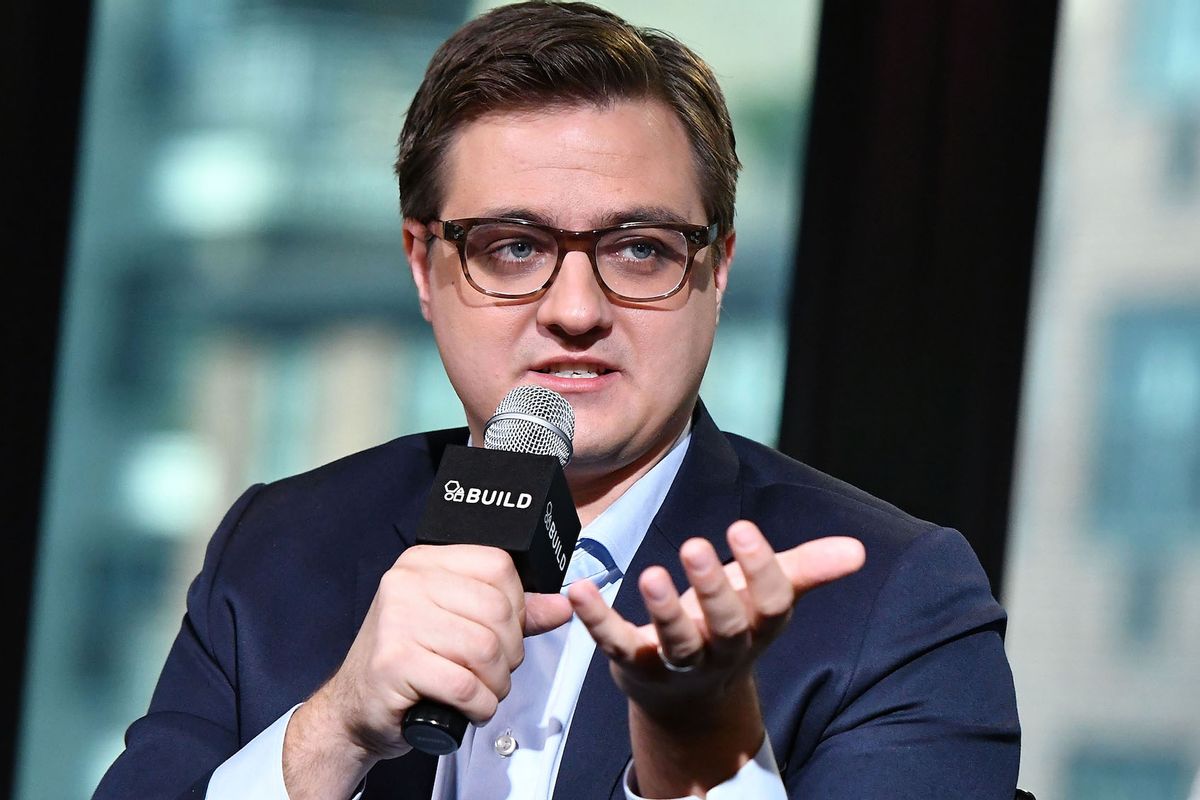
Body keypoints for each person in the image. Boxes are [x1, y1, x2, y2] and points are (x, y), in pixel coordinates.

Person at [93, 2, 1020, 798]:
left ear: (717, 271)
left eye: (640, 250)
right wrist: (331, 730)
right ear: (424, 266)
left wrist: (701, 757)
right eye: (513, 248)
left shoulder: (897, 602)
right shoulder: (276, 548)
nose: (575, 311)